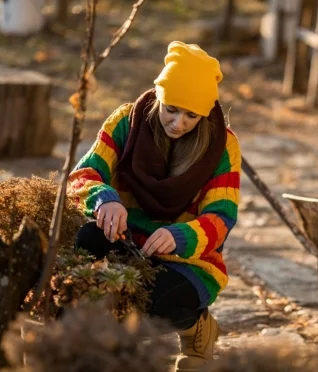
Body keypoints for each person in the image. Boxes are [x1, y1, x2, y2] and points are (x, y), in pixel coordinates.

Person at [67, 41, 241, 371]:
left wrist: (181, 236)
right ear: (158, 95)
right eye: (171, 109)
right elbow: (83, 175)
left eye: (192, 115)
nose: (178, 123)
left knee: (159, 303)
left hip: (187, 259)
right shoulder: (125, 122)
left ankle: (197, 328)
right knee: (86, 243)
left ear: (204, 113)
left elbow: (222, 217)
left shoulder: (223, 144)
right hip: (125, 239)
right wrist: (104, 199)